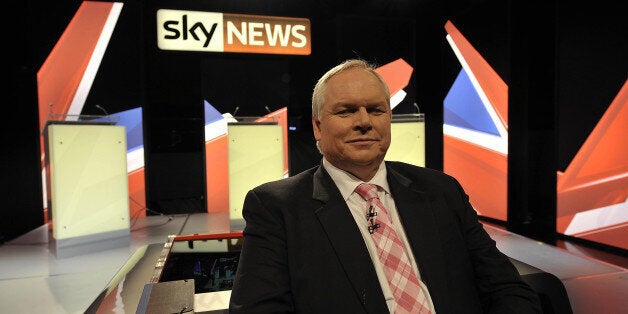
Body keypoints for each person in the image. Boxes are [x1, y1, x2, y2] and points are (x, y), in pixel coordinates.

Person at [229, 59, 542, 313]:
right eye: (346, 110)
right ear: (317, 126)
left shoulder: (442, 191)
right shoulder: (276, 207)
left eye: (376, 110)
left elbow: (507, 288)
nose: (364, 121)